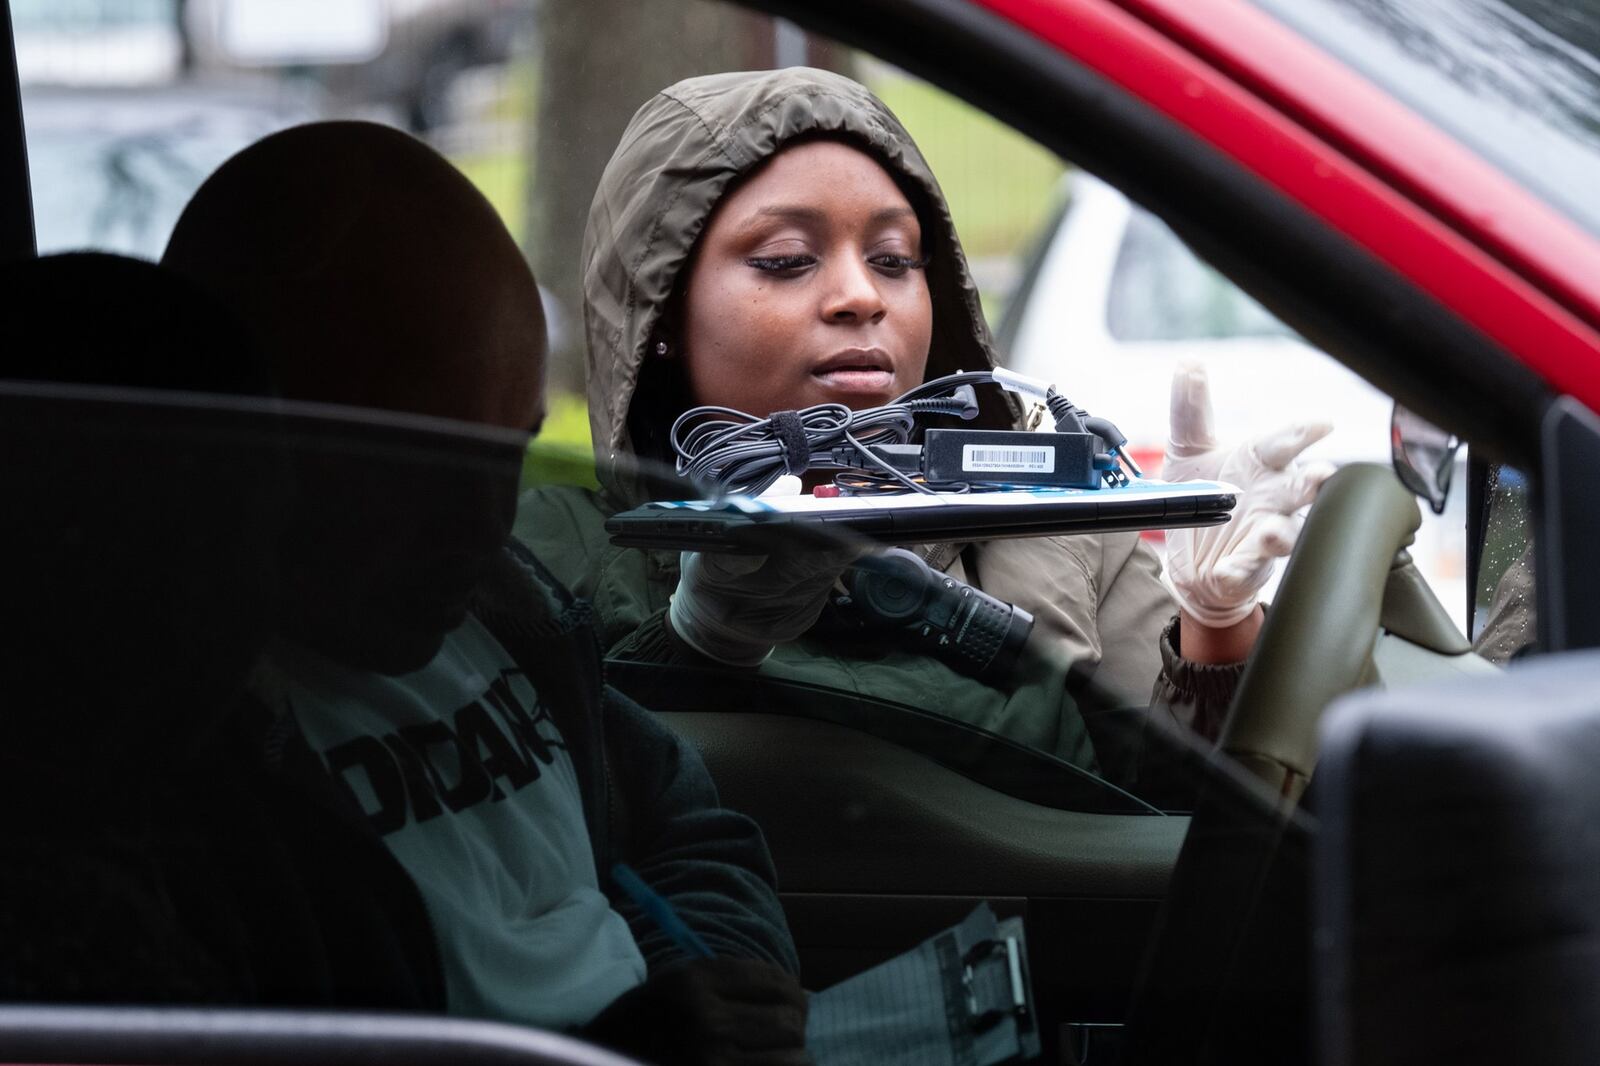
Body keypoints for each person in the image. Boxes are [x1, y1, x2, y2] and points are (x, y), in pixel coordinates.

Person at [161, 120, 810, 1066]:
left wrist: (707, 998)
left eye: (508, 448)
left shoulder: (499, 614)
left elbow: (688, 825)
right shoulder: (182, 779)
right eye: (422, 458)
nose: (483, 519)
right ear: (252, 443)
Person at [515, 68, 1332, 774]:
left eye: (896, 260)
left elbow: (1174, 836)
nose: (863, 295)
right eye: (787, 260)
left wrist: (1217, 632)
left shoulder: (1059, 510)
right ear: (659, 316)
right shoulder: (548, 560)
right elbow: (579, 843)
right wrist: (701, 644)